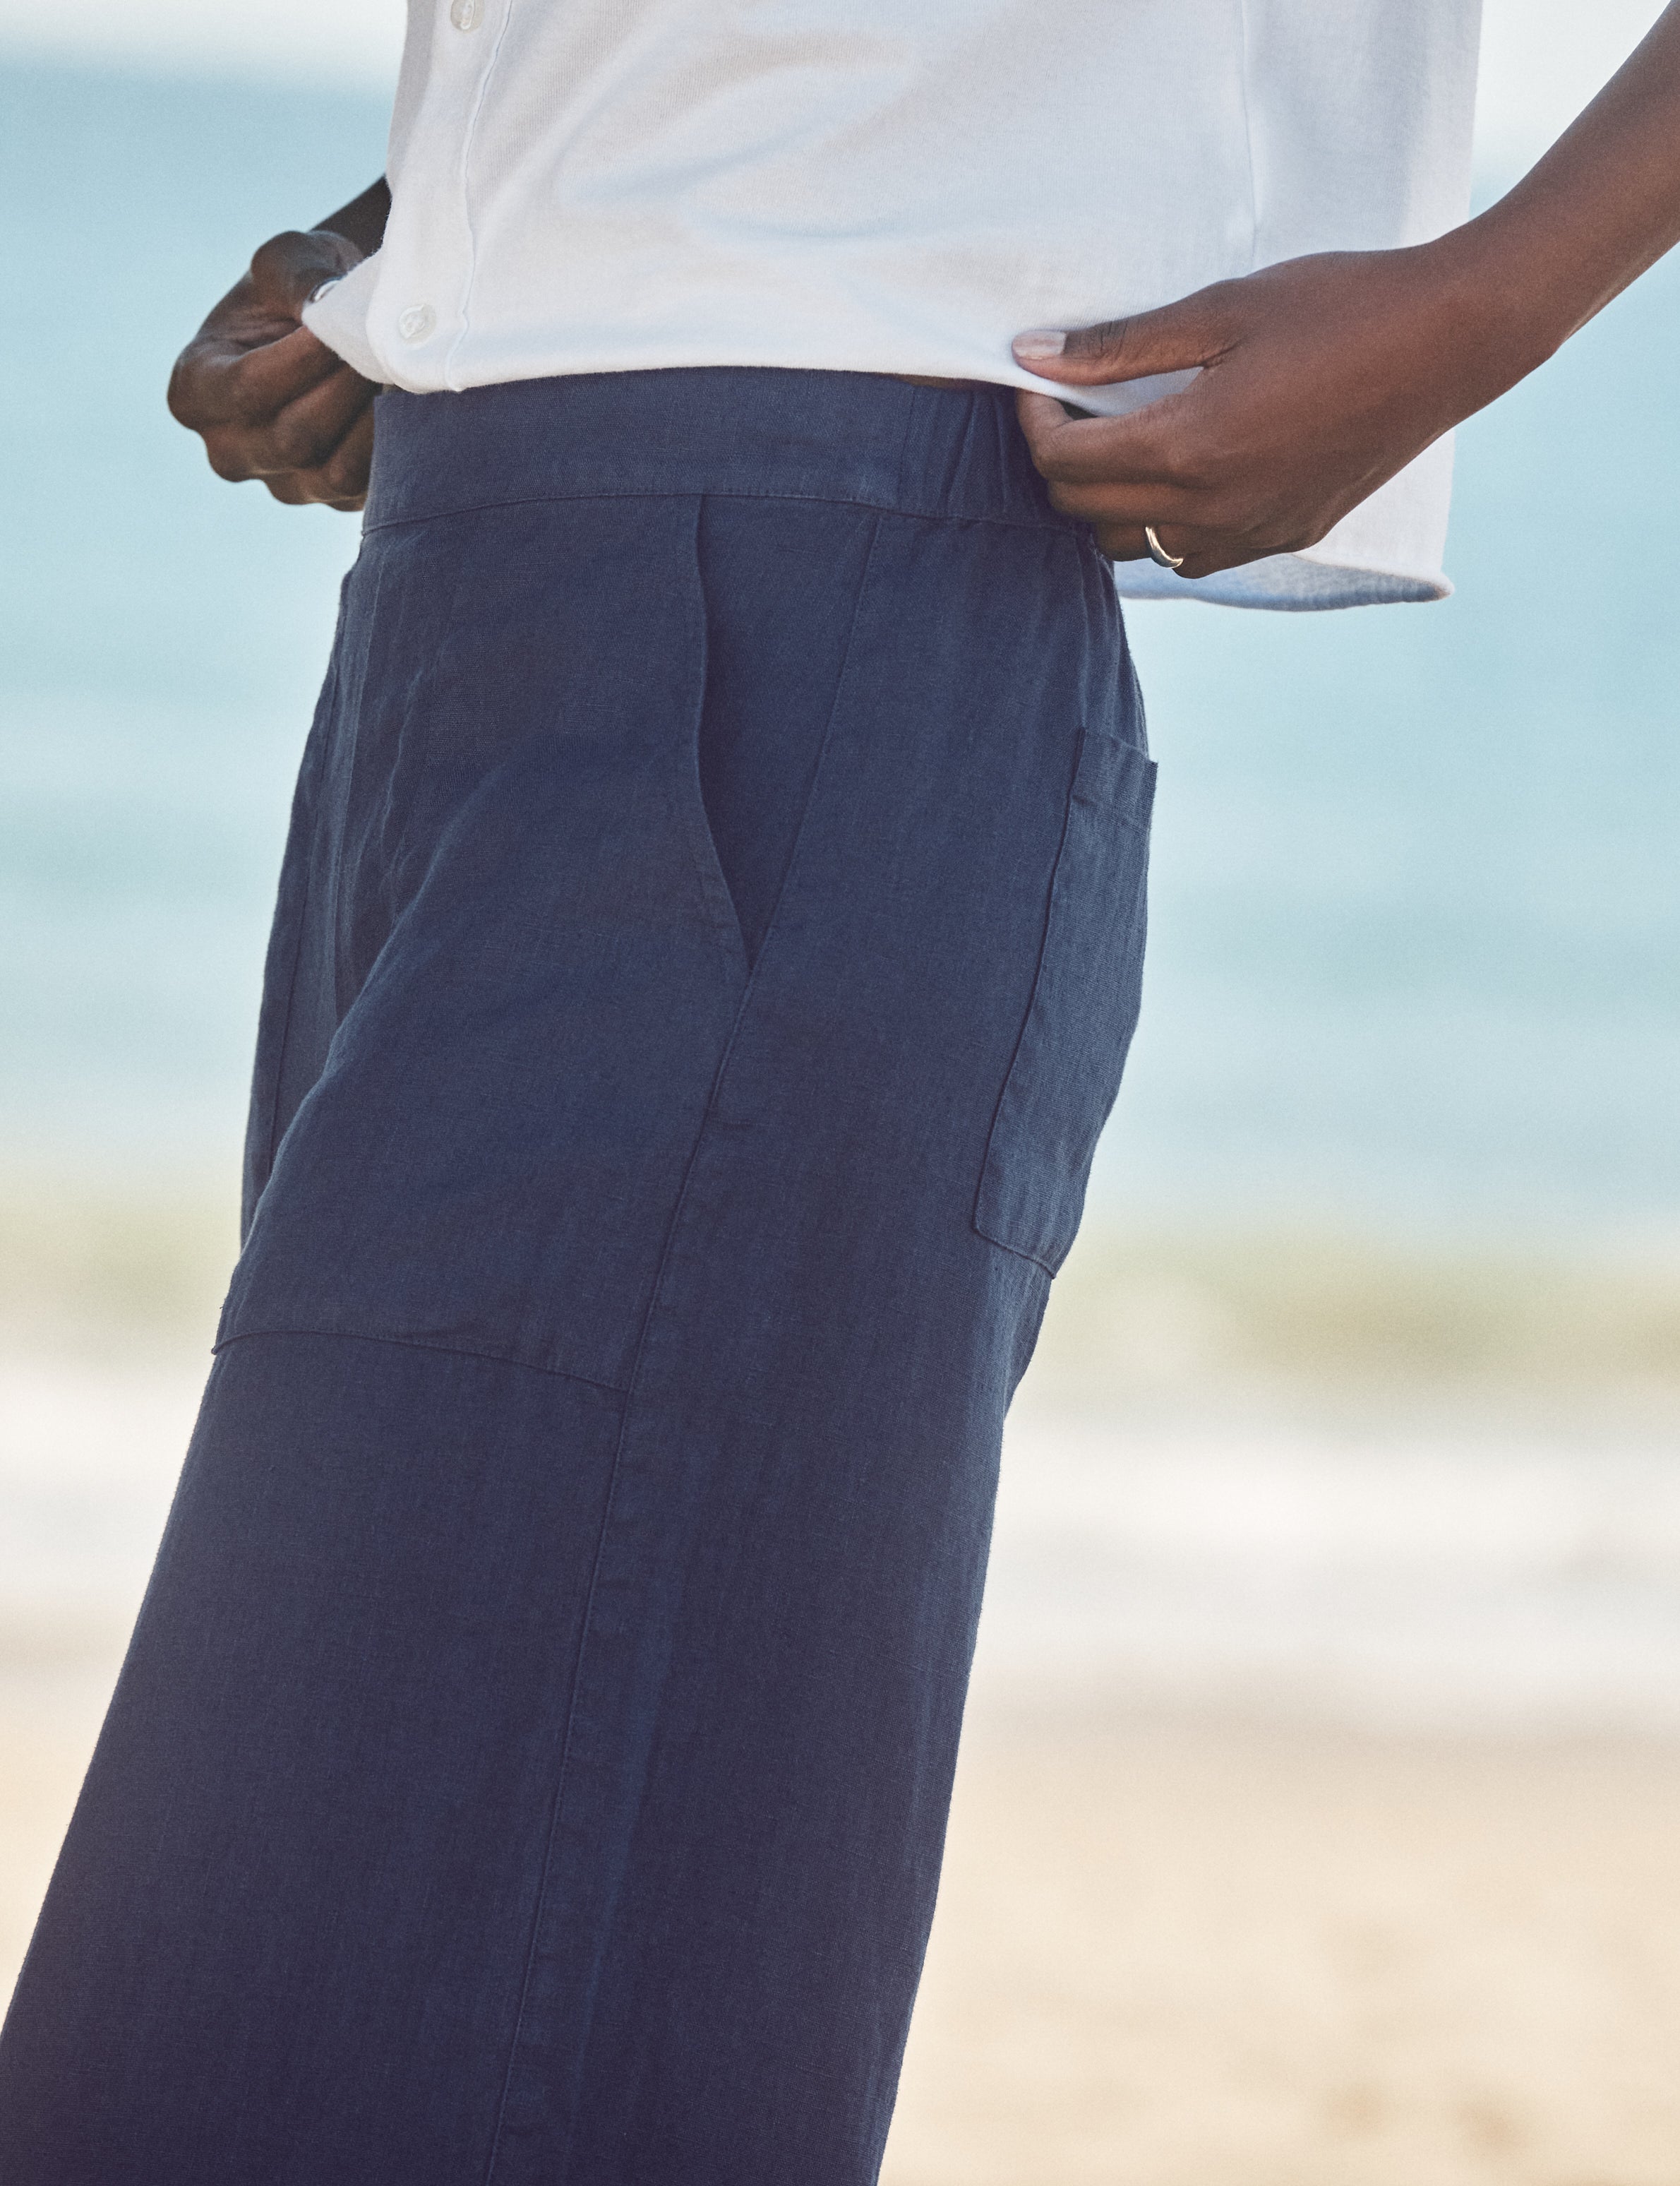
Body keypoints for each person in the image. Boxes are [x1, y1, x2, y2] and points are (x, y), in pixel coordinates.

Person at [3, 6, 1678, 2182]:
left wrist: (1487, 298)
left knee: (360, 1960)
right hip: (496, 549)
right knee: (383, 1896)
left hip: (814, 571)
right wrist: (448, 237)